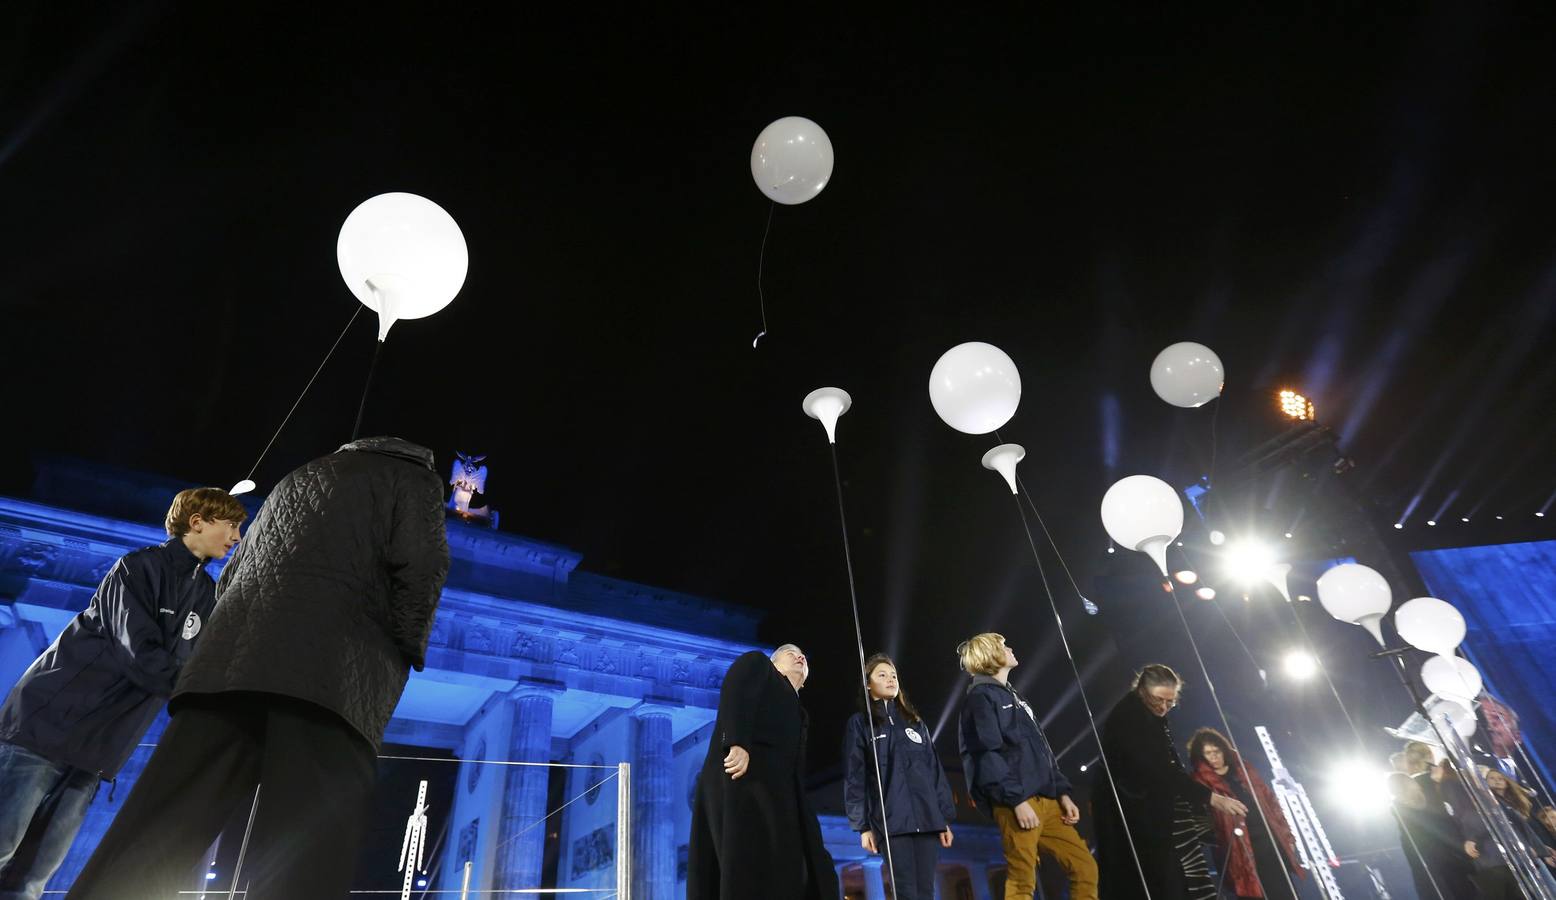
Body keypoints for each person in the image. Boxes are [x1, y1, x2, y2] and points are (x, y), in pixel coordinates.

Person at [65, 437, 449, 900]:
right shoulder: (413, 478)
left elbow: (233, 571)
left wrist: (221, 645)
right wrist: (409, 644)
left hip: (227, 669)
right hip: (332, 677)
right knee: (302, 850)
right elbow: (423, 564)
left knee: (159, 825)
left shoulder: (301, 475)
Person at [0, 488, 245, 900]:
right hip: (43, 730)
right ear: (198, 521)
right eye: (232, 525)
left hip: (98, 751)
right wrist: (199, 691)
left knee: (32, 879)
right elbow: (139, 651)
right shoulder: (138, 567)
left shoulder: (207, 594)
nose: (237, 537)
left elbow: (200, 662)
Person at [688, 644, 839, 900]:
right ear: (775, 661)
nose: (800, 656)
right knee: (750, 867)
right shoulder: (759, 665)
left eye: (803, 655)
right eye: (790, 652)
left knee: (805, 871)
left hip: (784, 797)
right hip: (748, 783)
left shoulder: (801, 713)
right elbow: (737, 690)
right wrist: (736, 741)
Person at [956, 632, 1097, 900]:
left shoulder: (1015, 698)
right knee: (1023, 880)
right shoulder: (980, 699)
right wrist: (1016, 800)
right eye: (1002, 646)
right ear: (990, 655)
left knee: (1084, 867)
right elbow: (987, 753)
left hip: (1049, 800)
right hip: (1017, 801)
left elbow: (1042, 751)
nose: (1009, 648)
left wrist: (1063, 792)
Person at [1094, 664, 1244, 900]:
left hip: (1158, 811)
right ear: (1142, 690)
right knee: (1165, 882)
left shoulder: (1151, 715)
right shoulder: (1128, 717)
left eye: (1170, 702)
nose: (1164, 707)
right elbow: (1158, 770)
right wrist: (1211, 798)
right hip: (1139, 815)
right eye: (1158, 701)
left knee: (1183, 878)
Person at [843, 653, 955, 900]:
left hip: (927, 820)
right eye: (882, 675)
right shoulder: (861, 724)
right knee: (906, 891)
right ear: (868, 684)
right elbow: (855, 777)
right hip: (891, 823)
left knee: (926, 890)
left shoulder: (915, 722)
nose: (890, 679)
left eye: (893, 675)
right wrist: (862, 827)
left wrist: (943, 818)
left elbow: (934, 771)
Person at [1186, 728, 1302, 900]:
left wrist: (1288, 836)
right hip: (1237, 849)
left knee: (1284, 891)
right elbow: (1198, 819)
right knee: (1252, 892)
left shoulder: (1244, 768)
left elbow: (1271, 802)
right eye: (1208, 753)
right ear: (1201, 756)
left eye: (1216, 751)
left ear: (1223, 749)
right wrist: (1217, 833)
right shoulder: (1199, 781)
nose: (1214, 757)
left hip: (1269, 841)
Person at [1386, 772, 1477, 900]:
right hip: (1439, 862)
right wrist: (1461, 846)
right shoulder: (1403, 811)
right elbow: (1435, 829)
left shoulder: (1420, 799)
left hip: (1447, 860)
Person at [1458, 767, 1545, 898]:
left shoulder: (1516, 803)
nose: (1497, 781)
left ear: (1507, 782)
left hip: (1526, 855)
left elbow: (1526, 829)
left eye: (1500, 779)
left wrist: (1538, 848)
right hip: (1505, 858)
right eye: (1491, 778)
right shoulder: (1485, 801)